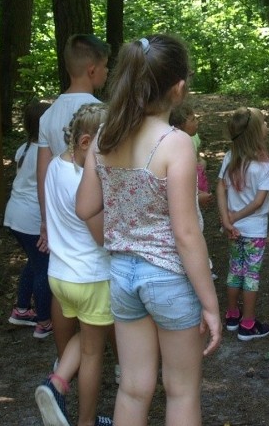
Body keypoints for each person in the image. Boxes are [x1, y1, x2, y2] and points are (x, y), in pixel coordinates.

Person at [76, 34, 221, 426]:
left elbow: (86, 207)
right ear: (178, 87)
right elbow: (186, 233)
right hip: (171, 279)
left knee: (134, 388)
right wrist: (210, 303)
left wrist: (120, 239)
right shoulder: (177, 144)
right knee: (181, 390)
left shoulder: (106, 135)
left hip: (123, 275)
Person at [35, 104, 113, 426]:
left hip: (60, 274)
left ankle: (55, 385)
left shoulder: (55, 165)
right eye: (105, 148)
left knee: (82, 338)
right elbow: (101, 237)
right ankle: (87, 422)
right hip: (91, 276)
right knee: (94, 351)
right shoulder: (86, 182)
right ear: (85, 143)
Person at [37, 33, 110, 345]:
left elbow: (43, 171)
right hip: (92, 218)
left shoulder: (48, 113)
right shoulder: (101, 112)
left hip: (60, 220)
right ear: (92, 69)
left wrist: (46, 222)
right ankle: (119, 361)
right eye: (106, 67)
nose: (108, 73)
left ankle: (63, 353)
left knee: (63, 293)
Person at [217, 107, 269, 341]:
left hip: (234, 229)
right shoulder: (265, 166)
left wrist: (227, 219)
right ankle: (248, 323)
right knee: (251, 274)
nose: (267, 126)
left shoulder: (230, 157)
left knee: (234, 269)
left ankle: (232, 315)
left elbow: (220, 187)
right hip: (253, 230)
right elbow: (258, 202)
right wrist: (234, 218)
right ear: (255, 133)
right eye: (263, 123)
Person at [3, 99, 53, 335]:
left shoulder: (23, 149)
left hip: (14, 214)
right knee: (44, 266)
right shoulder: (45, 154)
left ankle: (22, 309)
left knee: (33, 261)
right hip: (31, 218)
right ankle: (44, 322)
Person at [169, 102, 213, 208]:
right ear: (179, 126)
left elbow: (197, 157)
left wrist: (201, 163)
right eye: (193, 120)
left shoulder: (194, 137)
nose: (197, 122)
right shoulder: (176, 146)